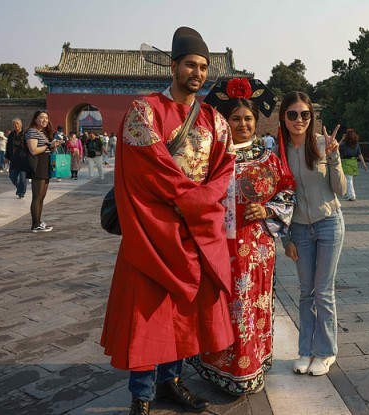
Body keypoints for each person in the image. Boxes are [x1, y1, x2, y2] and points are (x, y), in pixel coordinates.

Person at [100, 26, 236, 415]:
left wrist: (201, 203)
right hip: (154, 227)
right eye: (190, 65)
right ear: (173, 66)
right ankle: (141, 395)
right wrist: (194, 201)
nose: (198, 73)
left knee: (182, 314)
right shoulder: (144, 111)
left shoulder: (214, 119)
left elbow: (224, 169)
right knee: (149, 314)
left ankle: (170, 383)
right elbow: (151, 169)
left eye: (204, 67)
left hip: (194, 229)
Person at [189, 78, 295, 395]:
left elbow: (288, 193)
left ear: (256, 121)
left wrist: (267, 209)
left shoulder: (269, 158)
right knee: (220, 303)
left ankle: (249, 365)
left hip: (257, 248)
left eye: (248, 118)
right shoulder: (211, 158)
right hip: (218, 245)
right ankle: (217, 365)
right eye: (236, 118)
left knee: (250, 304)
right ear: (226, 121)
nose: (243, 124)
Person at [280, 91, 346, 376]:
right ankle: (305, 351)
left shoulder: (322, 144)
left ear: (312, 117)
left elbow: (341, 189)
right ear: (283, 117)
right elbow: (278, 199)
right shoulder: (278, 151)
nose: (299, 119)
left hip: (329, 222)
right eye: (293, 114)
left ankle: (326, 352)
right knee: (306, 292)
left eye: (305, 114)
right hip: (299, 229)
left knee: (323, 292)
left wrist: (333, 157)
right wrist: (286, 239)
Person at [25, 110, 63, 232]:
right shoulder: (32, 131)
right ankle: (34, 224)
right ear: (35, 119)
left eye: (46, 118)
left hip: (45, 163)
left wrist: (54, 145)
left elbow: (44, 148)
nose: (45, 120)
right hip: (38, 164)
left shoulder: (42, 132)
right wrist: (49, 146)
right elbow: (33, 150)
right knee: (37, 195)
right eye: (41, 118)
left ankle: (38, 221)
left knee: (42, 196)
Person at [339, 128, 368, 201]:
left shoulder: (344, 144)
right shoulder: (356, 144)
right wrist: (364, 163)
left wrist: (342, 139)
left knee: (348, 179)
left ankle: (352, 195)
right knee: (350, 179)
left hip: (346, 162)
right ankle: (348, 194)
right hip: (354, 162)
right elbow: (360, 154)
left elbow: (336, 147)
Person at [5, 118, 28, 199]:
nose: (16, 125)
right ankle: (20, 188)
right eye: (14, 124)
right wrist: (7, 157)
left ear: (21, 124)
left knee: (22, 178)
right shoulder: (11, 135)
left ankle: (21, 193)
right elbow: (8, 147)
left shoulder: (25, 134)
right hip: (13, 159)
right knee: (12, 177)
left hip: (23, 159)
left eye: (17, 123)